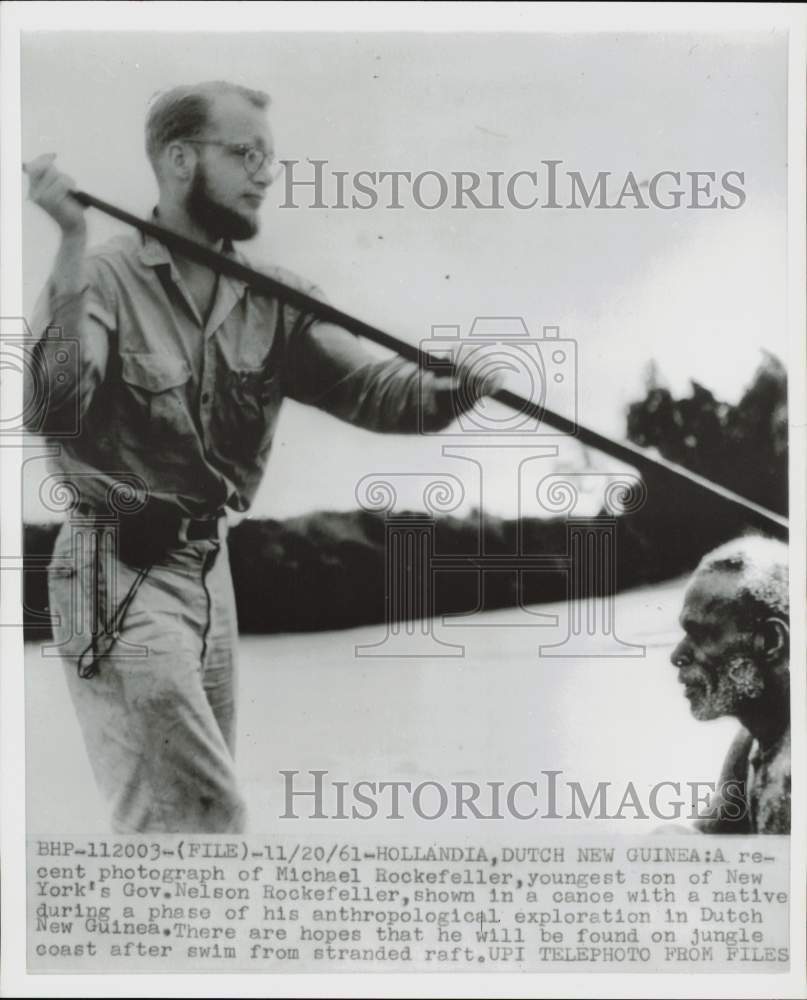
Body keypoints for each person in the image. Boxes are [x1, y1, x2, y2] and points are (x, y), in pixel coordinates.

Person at [24, 80, 498, 834]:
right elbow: (52, 409)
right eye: (245, 153)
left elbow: (378, 393)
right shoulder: (104, 278)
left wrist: (457, 388)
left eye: (269, 158)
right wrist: (71, 244)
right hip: (115, 570)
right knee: (198, 822)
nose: (265, 173)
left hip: (210, 577)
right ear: (179, 161)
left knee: (180, 829)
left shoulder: (272, 298)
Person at [670, 535, 790, 833]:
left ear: (771, 641)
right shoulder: (752, 737)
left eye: (700, 634)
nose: (677, 656)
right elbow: (710, 834)